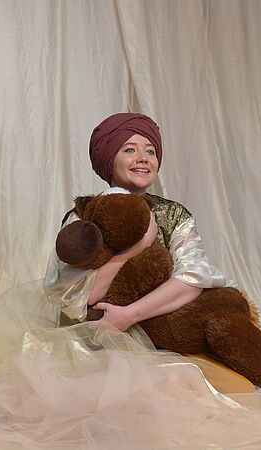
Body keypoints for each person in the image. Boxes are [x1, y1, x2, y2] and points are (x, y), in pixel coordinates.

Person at [44, 112, 237, 333]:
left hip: (161, 333)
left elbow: (194, 277)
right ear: (109, 158)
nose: (143, 157)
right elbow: (75, 295)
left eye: (150, 151)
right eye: (129, 149)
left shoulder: (174, 214)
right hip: (95, 335)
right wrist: (136, 248)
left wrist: (129, 315)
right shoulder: (84, 216)